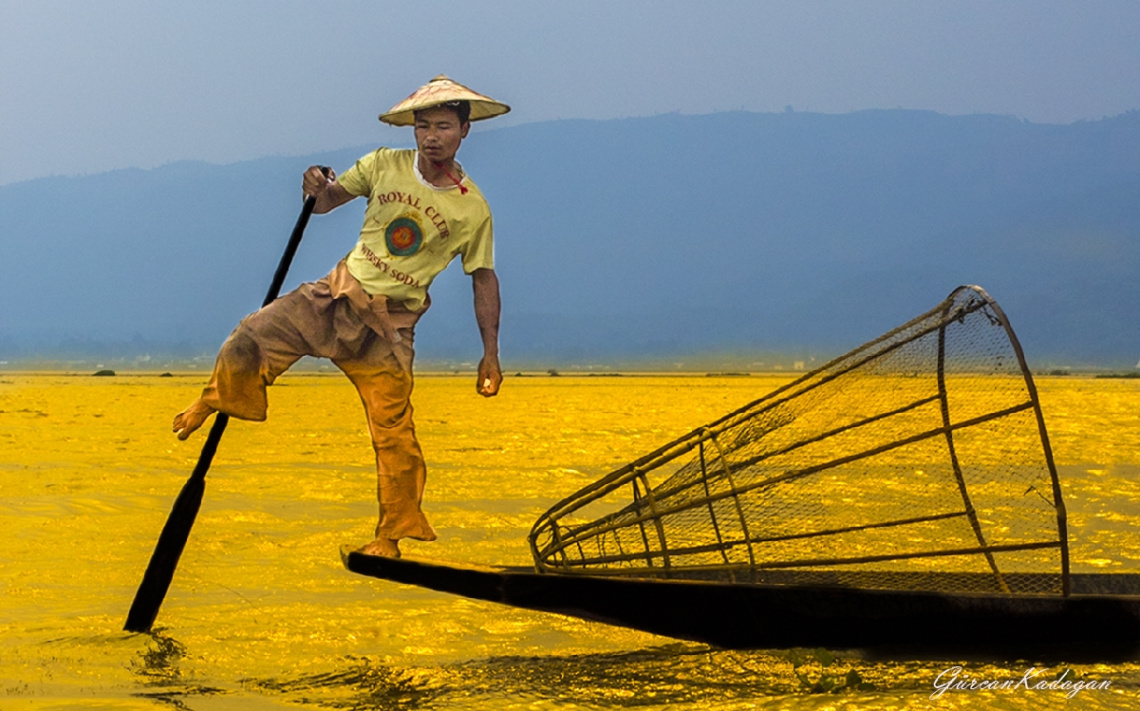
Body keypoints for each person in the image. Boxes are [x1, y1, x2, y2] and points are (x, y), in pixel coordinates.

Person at [172, 75, 509, 558]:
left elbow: (483, 279)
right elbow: (327, 202)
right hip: (333, 299)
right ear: (412, 130)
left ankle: (389, 538)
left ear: (463, 131)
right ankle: (215, 399)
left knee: (395, 435)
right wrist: (314, 185)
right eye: (422, 127)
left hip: (388, 331)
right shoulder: (382, 165)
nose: (431, 136)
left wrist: (490, 354)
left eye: (442, 127)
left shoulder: (471, 208)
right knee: (251, 334)